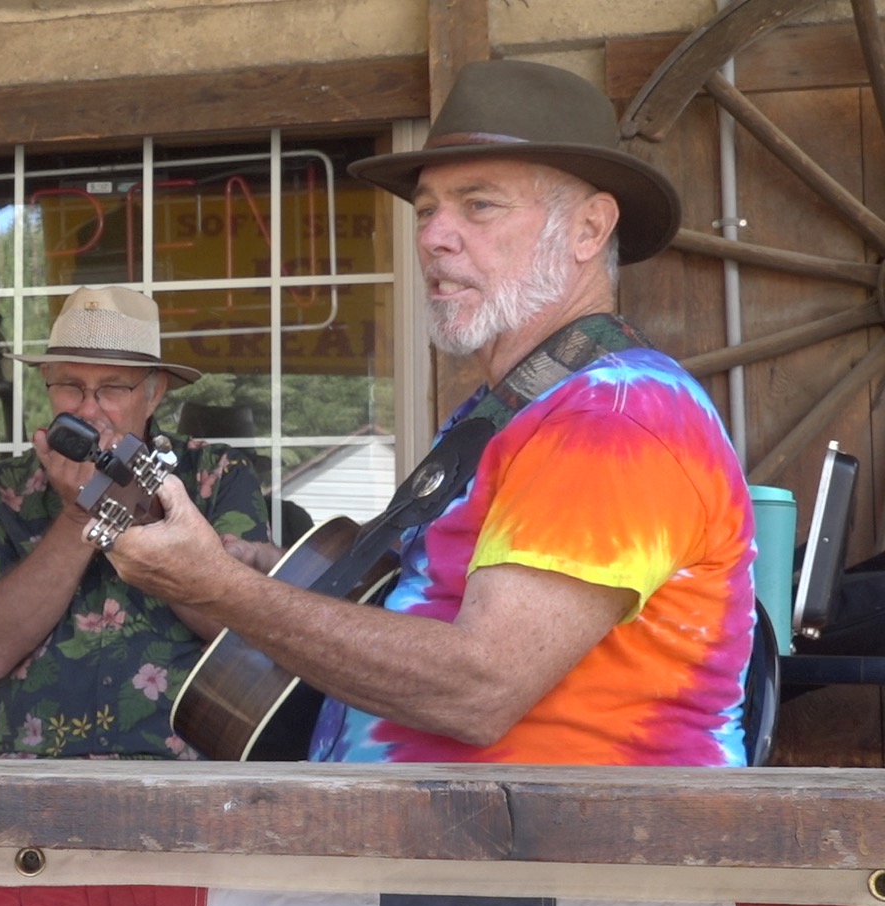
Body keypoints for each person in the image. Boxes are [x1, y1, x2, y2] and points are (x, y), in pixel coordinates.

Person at [103, 59, 757, 766]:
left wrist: (222, 590)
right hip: (459, 854)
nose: (434, 236)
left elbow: (480, 687)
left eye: (479, 205)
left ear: (589, 229)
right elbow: (435, 604)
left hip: (561, 859)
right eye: (426, 209)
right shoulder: (507, 411)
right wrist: (277, 573)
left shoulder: (614, 417)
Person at [0, 286, 268, 759]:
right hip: (29, 778)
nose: (89, 409)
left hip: (189, 774)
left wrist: (136, 505)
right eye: (70, 385)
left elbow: (243, 629)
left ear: (153, 394)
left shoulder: (216, 477)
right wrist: (79, 512)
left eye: (112, 387)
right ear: (47, 384)